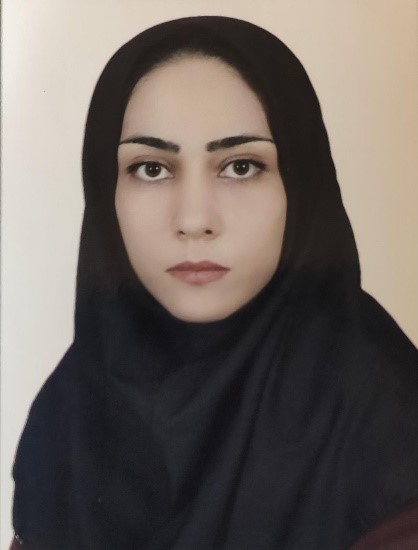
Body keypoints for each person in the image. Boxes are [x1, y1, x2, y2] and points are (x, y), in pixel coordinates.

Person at [10, 16, 418, 549]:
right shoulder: (73, 406)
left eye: (241, 166)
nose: (194, 219)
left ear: (301, 183)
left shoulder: (384, 419)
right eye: (151, 169)